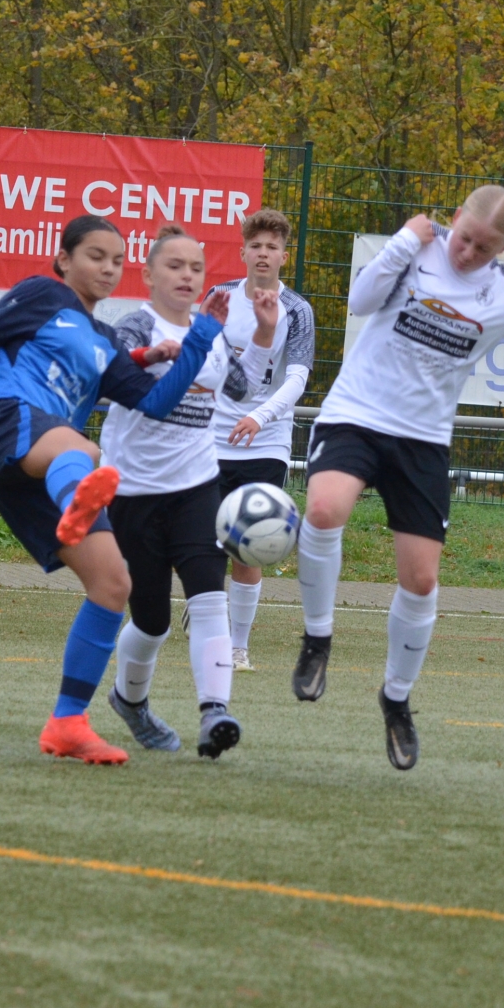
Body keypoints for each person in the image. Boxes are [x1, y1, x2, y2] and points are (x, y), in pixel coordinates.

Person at [0, 216, 235, 766]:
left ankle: (67, 723)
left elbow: (156, 403)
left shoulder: (105, 342)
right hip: (6, 424)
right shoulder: (41, 294)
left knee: (112, 583)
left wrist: (193, 342)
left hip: (40, 465)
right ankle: (77, 498)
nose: (107, 268)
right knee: (86, 452)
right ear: (63, 260)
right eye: (95, 256)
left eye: (116, 261)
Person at [291, 186, 504, 769]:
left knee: (422, 580)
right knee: (325, 510)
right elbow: (359, 302)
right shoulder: (417, 249)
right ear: (453, 219)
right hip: (356, 414)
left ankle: (396, 699)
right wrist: (405, 240)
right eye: (464, 238)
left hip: (423, 438)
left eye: (484, 248)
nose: (467, 254)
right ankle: (317, 639)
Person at [99, 225, 283, 759]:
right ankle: (129, 701)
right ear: (148, 274)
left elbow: (247, 386)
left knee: (208, 597)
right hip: (134, 492)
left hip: (197, 486)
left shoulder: (215, 334)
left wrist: (266, 333)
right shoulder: (132, 329)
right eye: (175, 266)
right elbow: (141, 393)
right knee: (152, 621)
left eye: (196, 268)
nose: (186, 276)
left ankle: (215, 711)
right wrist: (191, 344)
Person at [205, 209, 315, 671]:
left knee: (246, 544)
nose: (264, 253)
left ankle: (238, 646)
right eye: (257, 246)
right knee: (202, 540)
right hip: (210, 437)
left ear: (283, 257)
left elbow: (297, 377)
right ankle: (208, 619)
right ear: (243, 252)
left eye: (272, 247)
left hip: (265, 440)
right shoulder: (219, 297)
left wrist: (258, 415)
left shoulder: (298, 310)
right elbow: (201, 359)